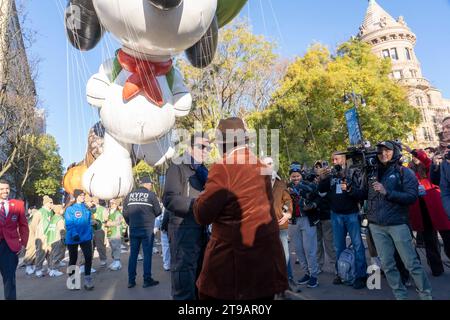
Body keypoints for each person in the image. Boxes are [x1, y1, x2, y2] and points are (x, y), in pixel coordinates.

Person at [193, 117, 288, 300]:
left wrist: (198, 200)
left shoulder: (224, 168)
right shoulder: (260, 166)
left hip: (233, 266)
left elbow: (203, 214)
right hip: (264, 262)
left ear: (223, 143)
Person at [355, 141, 432, 300]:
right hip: (376, 226)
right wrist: (350, 188)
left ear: (395, 152)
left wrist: (387, 192)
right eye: (380, 151)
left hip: (398, 224)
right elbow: (364, 194)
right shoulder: (372, 173)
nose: (383, 154)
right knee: (388, 266)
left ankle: (425, 295)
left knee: (411, 264)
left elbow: (411, 197)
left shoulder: (404, 172)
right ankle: (400, 295)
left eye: (387, 151)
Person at [163, 132, 211, 300]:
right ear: (190, 148)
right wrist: (199, 204)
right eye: (201, 146)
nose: (206, 150)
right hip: (183, 231)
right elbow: (169, 200)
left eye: (209, 147)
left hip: (203, 232)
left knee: (202, 282)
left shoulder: (205, 171)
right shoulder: (177, 167)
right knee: (184, 287)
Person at [318, 152, 367, 289]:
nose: (334, 161)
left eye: (337, 159)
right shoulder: (331, 174)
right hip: (336, 215)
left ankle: (361, 275)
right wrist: (322, 178)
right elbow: (321, 191)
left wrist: (349, 186)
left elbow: (362, 193)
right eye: (332, 159)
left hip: (351, 214)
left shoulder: (354, 172)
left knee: (357, 245)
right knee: (338, 246)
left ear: (344, 160)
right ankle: (341, 273)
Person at [404, 145, 450, 277]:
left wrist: (414, 151)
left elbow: (426, 160)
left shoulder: (430, 167)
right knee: (429, 242)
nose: (415, 158)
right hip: (421, 210)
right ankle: (436, 268)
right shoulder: (408, 170)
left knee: (448, 239)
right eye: (413, 157)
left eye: (416, 156)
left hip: (437, 208)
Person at [262, 157, 296, 292]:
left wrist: (287, 213)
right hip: (264, 226)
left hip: (280, 225)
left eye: (270, 164)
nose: (268, 166)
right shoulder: (258, 184)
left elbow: (288, 201)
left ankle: (288, 281)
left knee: (284, 255)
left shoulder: (281, 184)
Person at [123, 177, 162, 288]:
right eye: (150, 184)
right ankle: (147, 279)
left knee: (133, 255)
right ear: (147, 184)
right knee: (147, 255)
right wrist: (150, 218)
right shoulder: (151, 195)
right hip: (147, 229)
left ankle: (131, 280)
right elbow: (158, 211)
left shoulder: (129, 195)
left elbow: (125, 213)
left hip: (134, 229)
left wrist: (131, 223)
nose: (151, 186)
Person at [287, 162, 320, 288]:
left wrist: (312, 205)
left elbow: (318, 198)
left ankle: (314, 275)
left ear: (301, 176)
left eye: (297, 176)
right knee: (299, 250)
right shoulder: (287, 187)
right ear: (290, 177)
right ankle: (306, 273)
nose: (295, 178)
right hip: (294, 221)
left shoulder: (309, 185)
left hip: (307, 220)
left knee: (309, 249)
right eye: (293, 176)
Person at [0, 179, 29, 300]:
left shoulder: (18, 204)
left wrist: (23, 244)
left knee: (9, 279)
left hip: (9, 247)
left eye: (7, 188)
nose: (5, 191)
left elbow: (23, 226)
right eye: (2, 189)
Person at [64, 190, 94, 290]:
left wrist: (93, 223)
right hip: (73, 237)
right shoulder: (70, 209)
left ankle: (87, 280)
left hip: (85, 237)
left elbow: (88, 221)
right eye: (81, 195)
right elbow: (69, 223)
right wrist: (74, 234)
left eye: (83, 195)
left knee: (88, 257)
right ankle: (73, 281)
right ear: (76, 197)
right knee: (73, 258)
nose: (83, 197)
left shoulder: (86, 208)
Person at [314, 165, 337, 275]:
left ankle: (335, 266)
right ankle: (320, 265)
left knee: (328, 243)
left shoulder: (328, 183)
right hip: (317, 217)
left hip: (326, 216)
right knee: (319, 243)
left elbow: (322, 193)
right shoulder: (317, 183)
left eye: (321, 173)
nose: (319, 176)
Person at [33, 196, 54, 277]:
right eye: (50, 202)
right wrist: (37, 235)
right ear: (46, 203)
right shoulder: (39, 212)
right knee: (41, 253)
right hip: (42, 237)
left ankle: (50, 267)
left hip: (50, 236)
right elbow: (34, 225)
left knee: (50, 253)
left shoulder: (51, 212)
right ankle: (38, 269)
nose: (52, 204)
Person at [46, 205, 66, 277]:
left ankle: (50, 268)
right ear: (58, 210)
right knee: (57, 254)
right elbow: (62, 230)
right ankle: (54, 270)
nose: (63, 210)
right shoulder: (60, 219)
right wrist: (64, 239)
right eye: (62, 209)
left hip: (51, 238)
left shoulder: (53, 217)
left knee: (52, 254)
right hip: (57, 239)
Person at [105, 198, 124, 271]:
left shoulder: (117, 213)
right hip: (110, 232)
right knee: (112, 247)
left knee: (116, 247)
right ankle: (114, 261)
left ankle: (117, 261)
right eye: (110, 203)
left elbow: (118, 222)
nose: (111, 205)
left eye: (113, 203)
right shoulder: (110, 212)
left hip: (116, 232)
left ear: (116, 204)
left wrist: (108, 223)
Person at [90, 197, 108, 267]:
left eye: (93, 201)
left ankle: (103, 260)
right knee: (91, 247)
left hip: (99, 230)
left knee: (100, 246)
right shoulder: (90, 209)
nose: (92, 202)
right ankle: (89, 261)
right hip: (91, 230)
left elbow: (106, 219)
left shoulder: (102, 209)